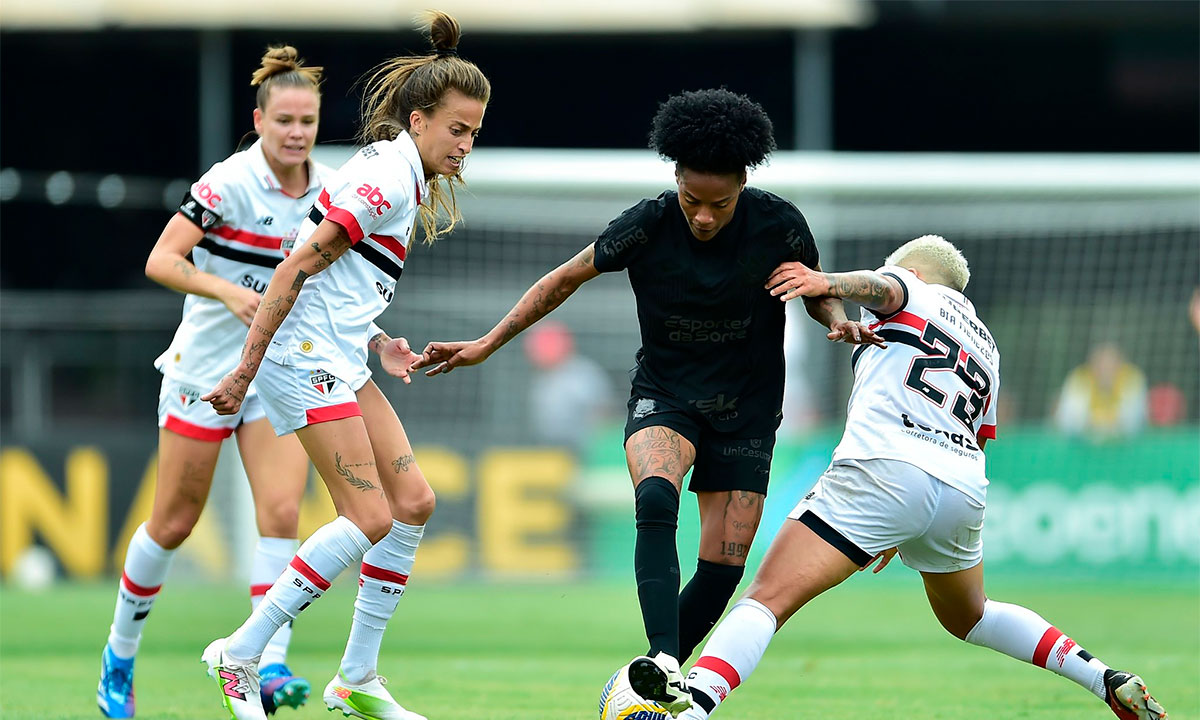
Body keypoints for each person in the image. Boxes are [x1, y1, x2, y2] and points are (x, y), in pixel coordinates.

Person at [412, 88, 880, 716]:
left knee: (722, 566)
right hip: (666, 395)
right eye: (693, 200)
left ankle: (641, 686)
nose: (705, 217)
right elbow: (563, 279)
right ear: (675, 179)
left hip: (747, 408)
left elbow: (809, 284)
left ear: (744, 183)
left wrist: (834, 314)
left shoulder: (780, 223)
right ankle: (661, 662)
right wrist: (488, 345)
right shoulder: (648, 224)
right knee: (655, 494)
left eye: (720, 203)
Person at [671, 235, 1167, 720]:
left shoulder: (911, 289)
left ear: (912, 271)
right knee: (972, 615)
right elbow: (982, 434)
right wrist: (905, 519)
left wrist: (828, 281)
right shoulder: (987, 345)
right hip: (961, 485)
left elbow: (881, 289)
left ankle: (687, 710)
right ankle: (1104, 678)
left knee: (767, 598)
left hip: (886, 466)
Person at [199, 12, 490, 720]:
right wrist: (245, 369)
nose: (466, 144)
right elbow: (298, 262)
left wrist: (376, 337)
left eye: (475, 133)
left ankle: (355, 676)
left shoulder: (400, 170)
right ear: (420, 120)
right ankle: (240, 654)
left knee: (412, 505)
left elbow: (336, 284)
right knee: (367, 516)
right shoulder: (387, 179)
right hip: (301, 361)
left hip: (338, 355)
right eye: (457, 129)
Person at [97, 46, 330, 719]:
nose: (296, 132)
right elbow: (161, 260)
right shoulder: (226, 184)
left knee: (283, 511)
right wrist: (224, 290)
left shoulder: (330, 191)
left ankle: (267, 659)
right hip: (205, 371)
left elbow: (331, 287)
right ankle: (119, 654)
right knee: (173, 523)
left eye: (307, 120)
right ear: (258, 119)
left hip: (275, 372)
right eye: (284, 118)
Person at [522, 320, 614, 456]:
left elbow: (602, 412)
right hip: (551, 449)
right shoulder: (542, 379)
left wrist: (595, 443)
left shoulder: (581, 374)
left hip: (583, 448)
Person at [1053, 342, 1148, 440]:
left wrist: (1105, 425)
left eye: (1111, 364)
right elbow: (1069, 418)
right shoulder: (1079, 378)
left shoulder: (1131, 378)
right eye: (1101, 364)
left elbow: (1133, 420)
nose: (1106, 369)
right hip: (1082, 444)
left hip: (1124, 445)